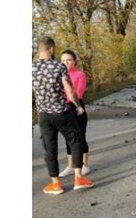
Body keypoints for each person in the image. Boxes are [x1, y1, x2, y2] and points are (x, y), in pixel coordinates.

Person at [32, 36, 94, 195]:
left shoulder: (31, 69)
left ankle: (55, 184)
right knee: (75, 140)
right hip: (61, 112)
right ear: (51, 49)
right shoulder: (58, 66)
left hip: (43, 115)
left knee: (49, 148)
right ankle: (78, 179)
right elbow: (70, 90)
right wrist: (78, 106)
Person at [59, 50, 91, 177]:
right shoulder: (59, 75)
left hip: (77, 106)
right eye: (63, 60)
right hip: (63, 107)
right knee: (68, 137)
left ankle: (84, 165)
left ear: (74, 61)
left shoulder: (80, 74)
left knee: (80, 136)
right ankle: (71, 165)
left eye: (69, 60)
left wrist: (71, 102)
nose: (66, 62)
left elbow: (79, 93)